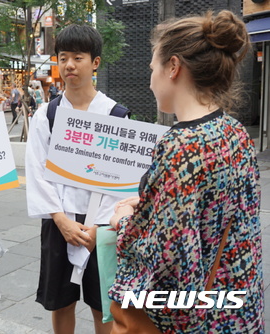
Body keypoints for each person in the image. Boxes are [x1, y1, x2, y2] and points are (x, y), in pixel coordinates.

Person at [108, 10, 264, 333]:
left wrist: (123, 222)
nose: (150, 79)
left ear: (174, 67)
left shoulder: (182, 146)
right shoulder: (235, 133)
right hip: (238, 311)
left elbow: (169, 257)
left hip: (201, 324)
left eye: (153, 68)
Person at [25, 24, 122, 334]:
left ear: (95, 62)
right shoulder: (47, 115)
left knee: (101, 303)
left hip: (102, 225)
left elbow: (121, 180)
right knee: (61, 302)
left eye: (78, 57)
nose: (68, 65)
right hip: (59, 221)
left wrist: (100, 226)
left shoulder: (115, 115)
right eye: (62, 57)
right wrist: (61, 220)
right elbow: (37, 170)